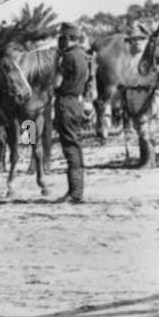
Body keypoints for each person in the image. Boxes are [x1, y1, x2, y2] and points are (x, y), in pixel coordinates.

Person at [54, 23, 91, 203]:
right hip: (77, 101)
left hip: (65, 102)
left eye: (62, 38)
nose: (60, 41)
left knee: (70, 147)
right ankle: (76, 191)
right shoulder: (84, 56)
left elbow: (56, 83)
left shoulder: (68, 57)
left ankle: (75, 193)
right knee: (75, 144)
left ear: (69, 38)